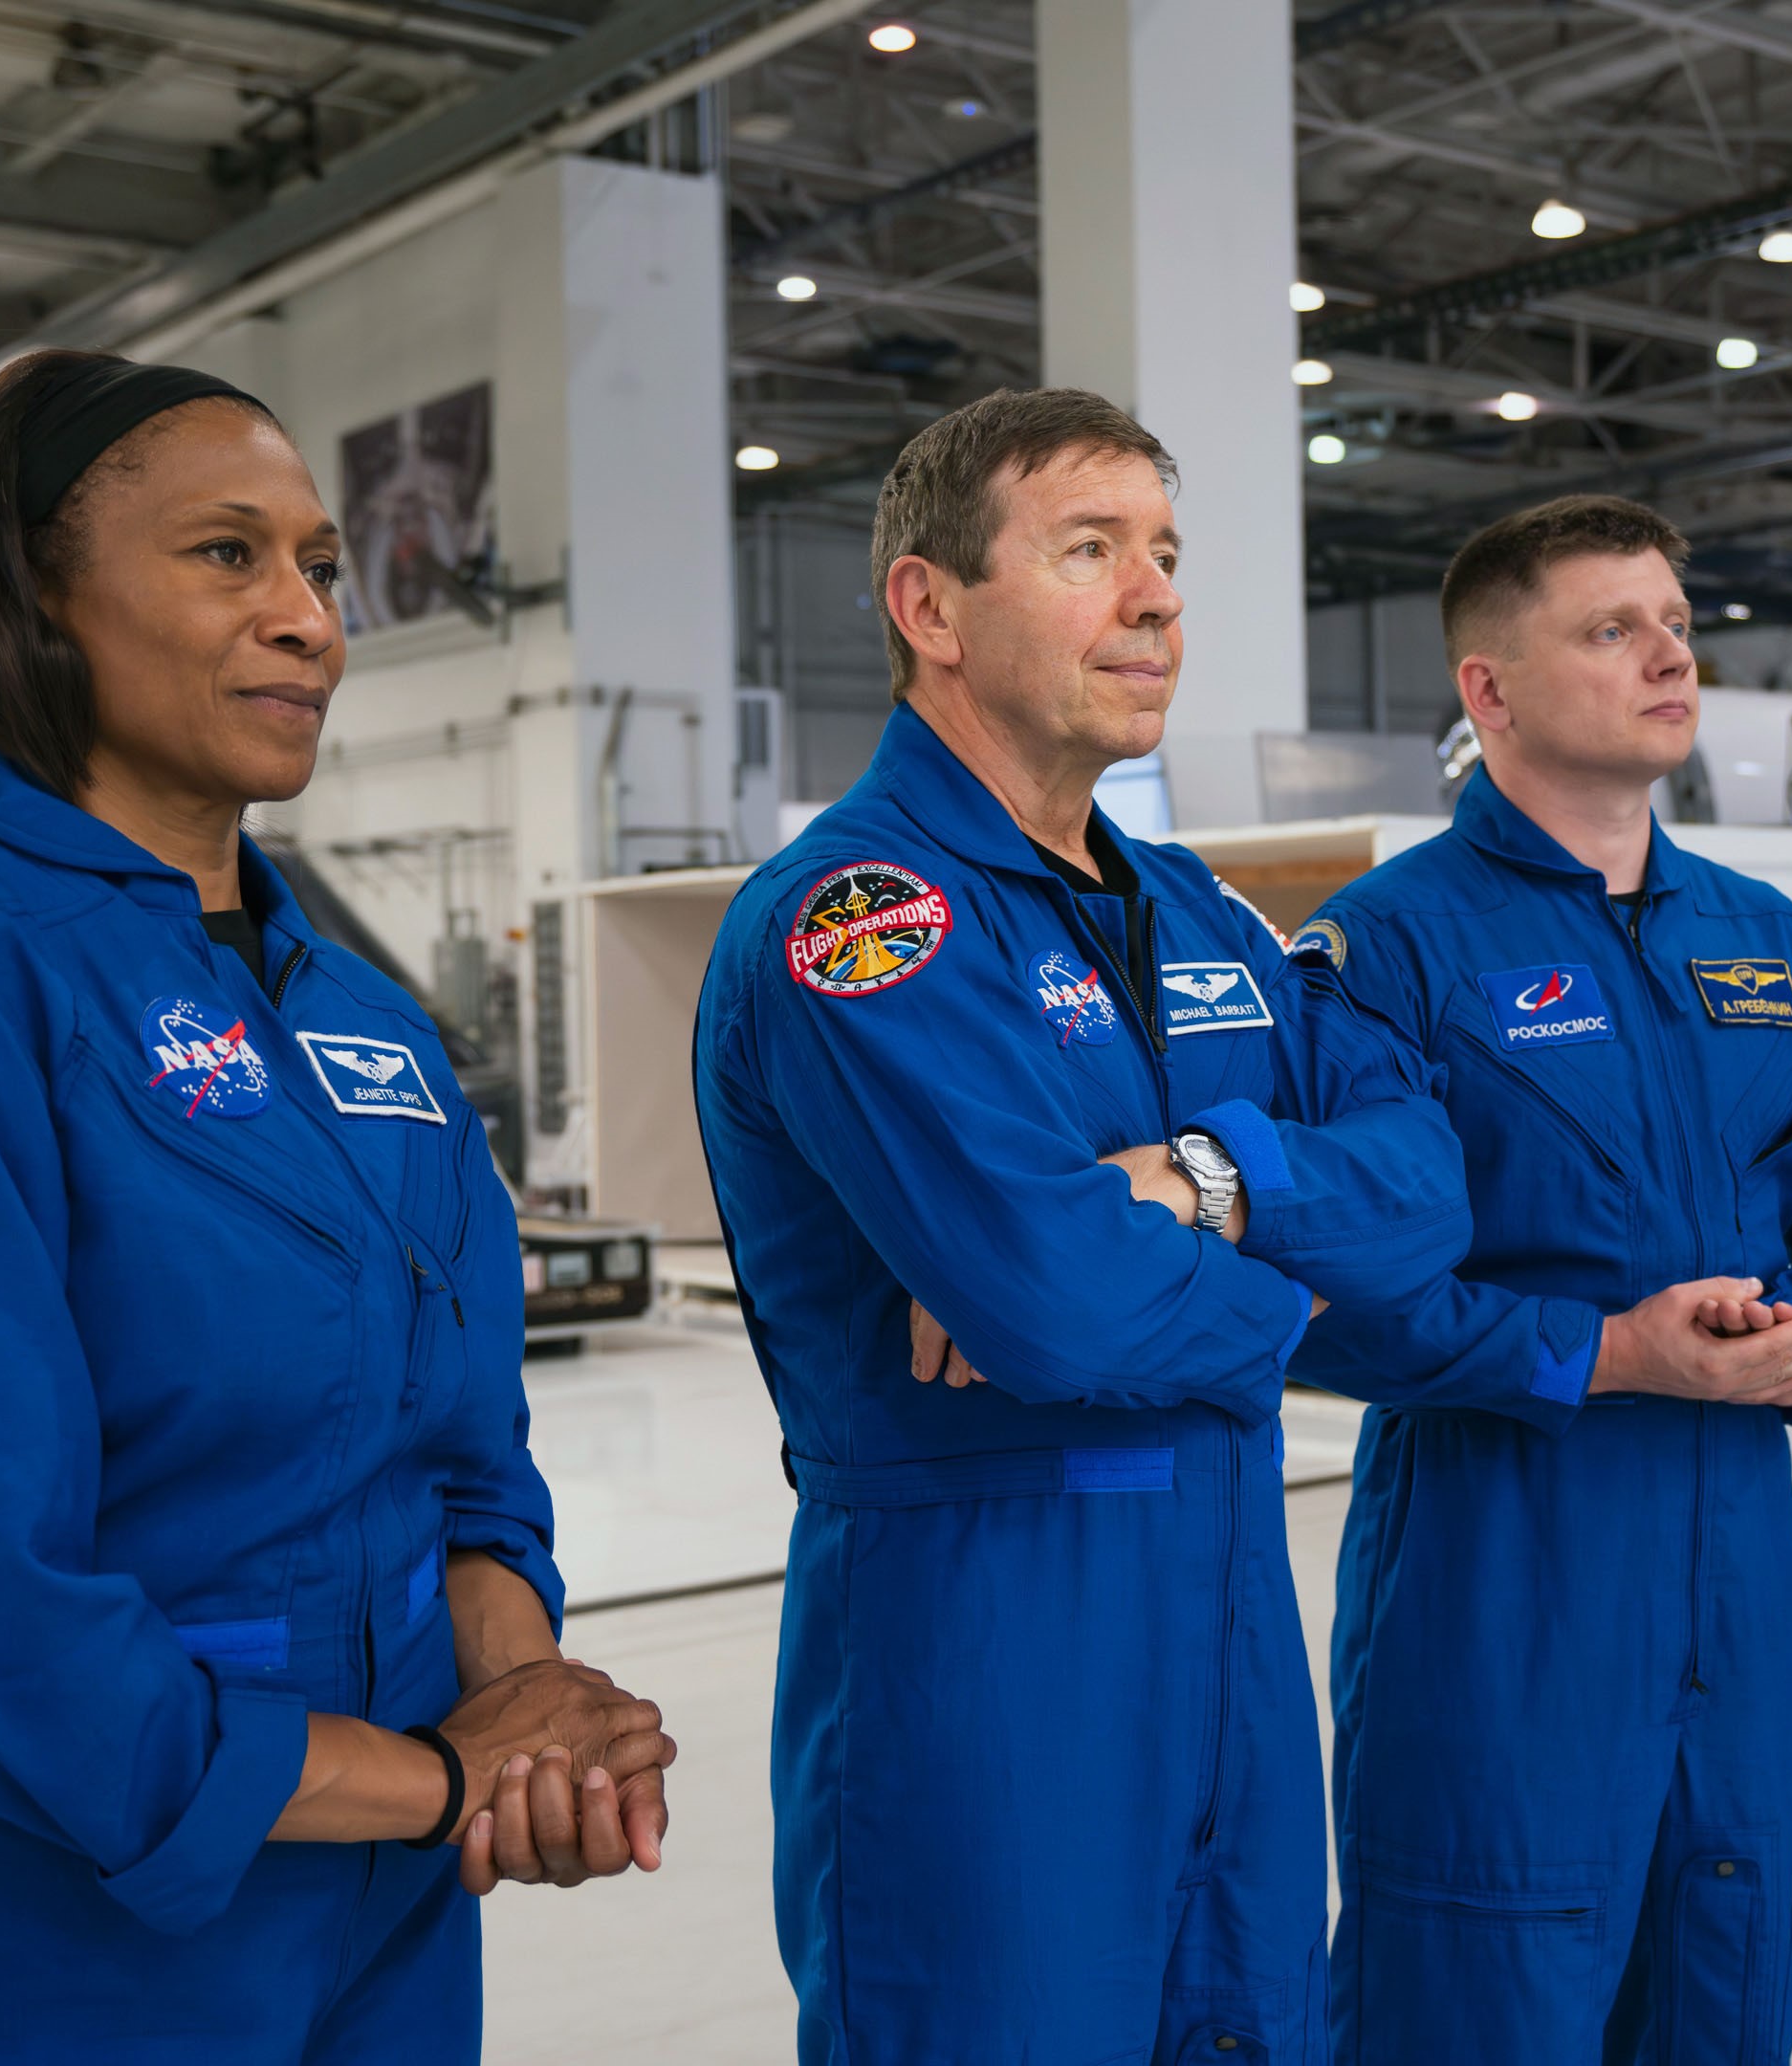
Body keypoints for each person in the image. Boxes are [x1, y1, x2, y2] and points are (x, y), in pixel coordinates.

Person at [0, 350, 676, 2065]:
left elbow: (465, 1464)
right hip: (7, 1961)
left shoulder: (366, 1029)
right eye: (229, 555)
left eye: (320, 566)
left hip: (374, 1931)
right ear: (35, 601)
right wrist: (446, 1775)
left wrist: (527, 1712)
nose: (308, 619)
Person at [692, 386, 1475, 2061]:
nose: (1158, 598)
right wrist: (1293, 1301)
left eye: (1169, 555)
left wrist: (1197, 1192)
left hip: (1229, 1640)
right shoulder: (862, 923)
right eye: (1091, 550)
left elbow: (1429, 1187)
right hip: (983, 1655)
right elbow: (1053, 1302)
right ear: (930, 609)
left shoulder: (1194, 912)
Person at [1286, 495, 1792, 2062]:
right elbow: (1321, 1282)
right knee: (1474, 1998)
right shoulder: (1384, 953)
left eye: (1671, 620)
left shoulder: (1764, 940)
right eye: (1609, 628)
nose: (1669, 653)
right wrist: (1604, 1353)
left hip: (1737, 1584)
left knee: (1720, 1986)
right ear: (1489, 691)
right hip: (1499, 1580)